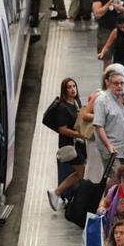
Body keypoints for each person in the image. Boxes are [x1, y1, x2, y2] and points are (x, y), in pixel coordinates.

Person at [46, 77, 86, 211]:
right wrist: (79, 135)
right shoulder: (63, 107)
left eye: (74, 86)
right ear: (64, 90)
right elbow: (62, 129)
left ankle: (63, 194)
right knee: (81, 172)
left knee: (81, 172)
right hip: (70, 144)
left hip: (78, 143)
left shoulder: (76, 102)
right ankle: (58, 192)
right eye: (69, 87)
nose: (72, 89)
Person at [94, 71, 124, 180]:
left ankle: (107, 196)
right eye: (116, 83)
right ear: (108, 83)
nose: (119, 86)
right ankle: (107, 197)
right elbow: (99, 126)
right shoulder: (102, 101)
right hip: (111, 149)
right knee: (118, 179)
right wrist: (108, 145)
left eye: (122, 83)